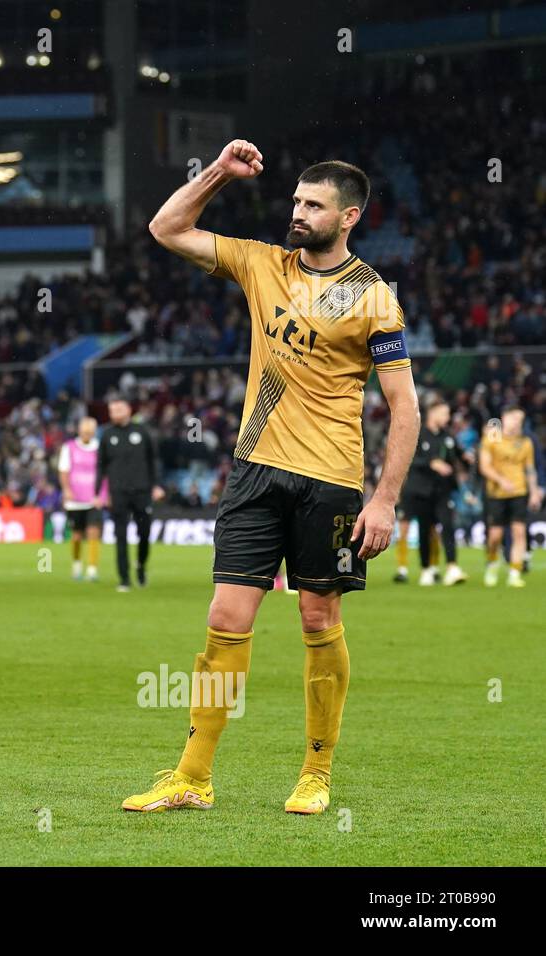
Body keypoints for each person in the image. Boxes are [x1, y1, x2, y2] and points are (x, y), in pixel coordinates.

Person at [124, 142, 419, 815]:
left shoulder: (372, 297)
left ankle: (316, 773)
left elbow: (405, 408)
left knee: (320, 617)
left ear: (348, 217)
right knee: (225, 618)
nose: (298, 213)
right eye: (295, 201)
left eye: (313, 205)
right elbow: (166, 229)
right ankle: (192, 777)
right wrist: (220, 174)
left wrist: (385, 500)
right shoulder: (263, 264)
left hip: (333, 483)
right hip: (256, 473)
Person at [96, 397, 165, 592]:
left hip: (142, 491)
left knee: (144, 533)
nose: (114, 413)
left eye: (118, 409)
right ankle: (124, 578)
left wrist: (157, 485)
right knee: (120, 535)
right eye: (111, 410)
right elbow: (101, 466)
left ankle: (141, 566)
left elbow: (154, 460)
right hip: (118, 493)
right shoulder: (107, 435)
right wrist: (98, 492)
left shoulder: (142, 432)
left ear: (127, 409)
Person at [401, 397, 466, 586]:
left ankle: (452, 567)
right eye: (445, 413)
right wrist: (432, 463)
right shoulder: (418, 434)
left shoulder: (447, 436)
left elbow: (459, 455)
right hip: (421, 490)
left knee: (448, 525)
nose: (448, 417)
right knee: (424, 529)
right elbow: (410, 459)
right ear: (433, 412)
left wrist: (469, 458)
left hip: (442, 490)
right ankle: (426, 568)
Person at [480, 408, 541, 587]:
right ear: (504, 418)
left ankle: (515, 572)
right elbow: (484, 466)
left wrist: (534, 492)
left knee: (519, 532)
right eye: (514, 418)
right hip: (496, 493)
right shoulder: (493, 438)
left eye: (520, 419)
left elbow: (530, 469)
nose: (517, 422)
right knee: (495, 536)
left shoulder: (525, 442)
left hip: (519, 492)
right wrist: (500, 480)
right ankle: (492, 563)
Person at [60, 415, 105, 582]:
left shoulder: (100, 448)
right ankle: (77, 564)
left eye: (89, 432)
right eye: (84, 431)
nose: (86, 434)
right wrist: (66, 489)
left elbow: (105, 474)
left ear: (94, 432)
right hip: (75, 499)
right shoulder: (69, 447)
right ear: (79, 431)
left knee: (94, 532)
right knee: (77, 535)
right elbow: (64, 470)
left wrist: (104, 494)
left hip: (94, 498)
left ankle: (92, 569)